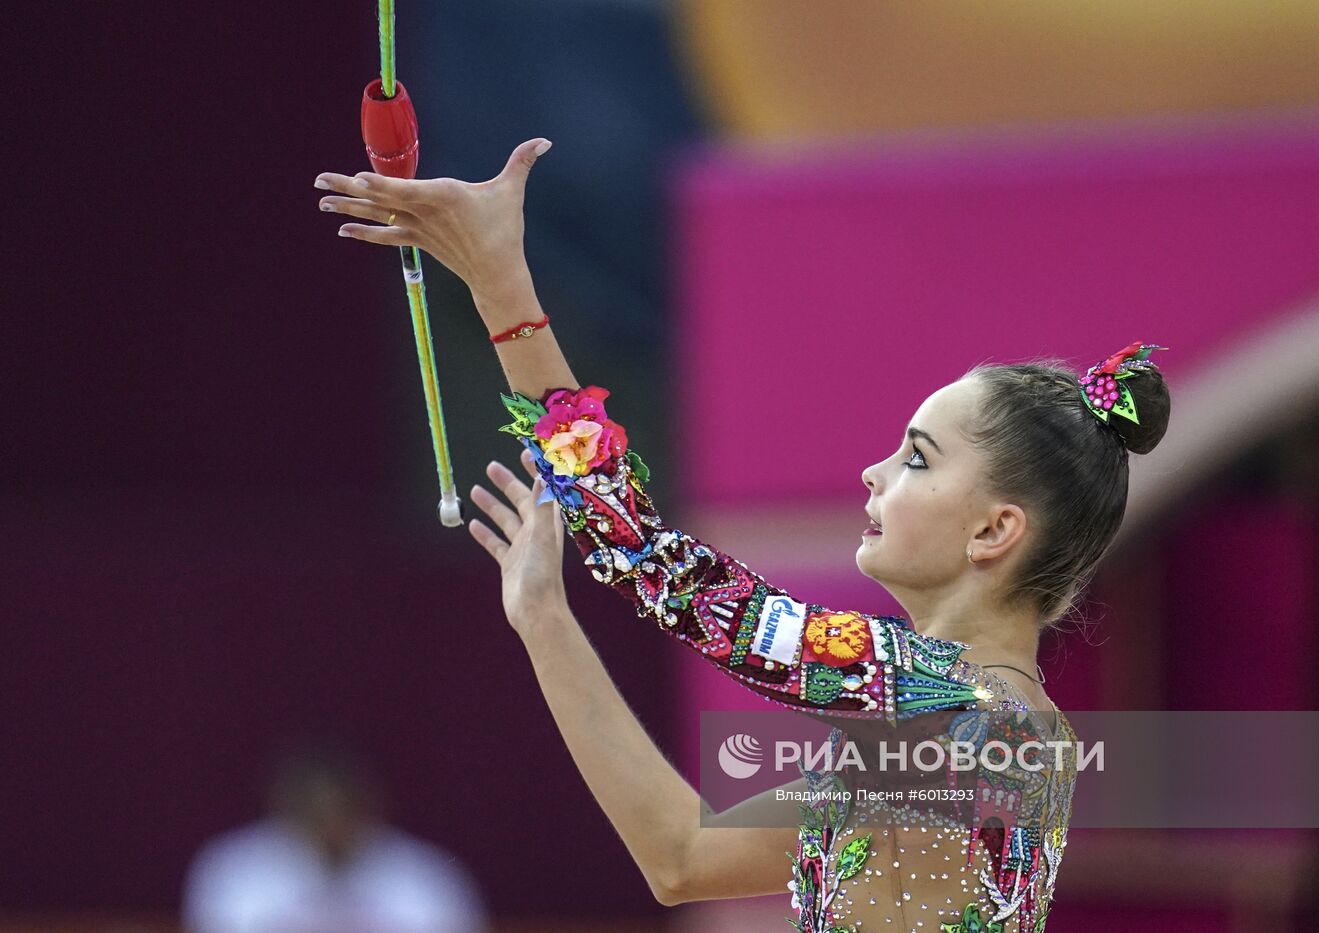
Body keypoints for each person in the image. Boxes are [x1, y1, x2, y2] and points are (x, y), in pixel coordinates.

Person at [313, 138, 1171, 931]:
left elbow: (653, 561)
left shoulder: (938, 705)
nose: (874, 473)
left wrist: (502, 286)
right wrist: (544, 616)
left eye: (916, 458)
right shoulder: (1006, 737)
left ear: (994, 529)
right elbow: (679, 856)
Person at [184, 743, 488, 933]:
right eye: (315, 812)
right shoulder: (233, 871)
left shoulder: (425, 876)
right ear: (286, 808)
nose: (330, 827)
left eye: (341, 811)